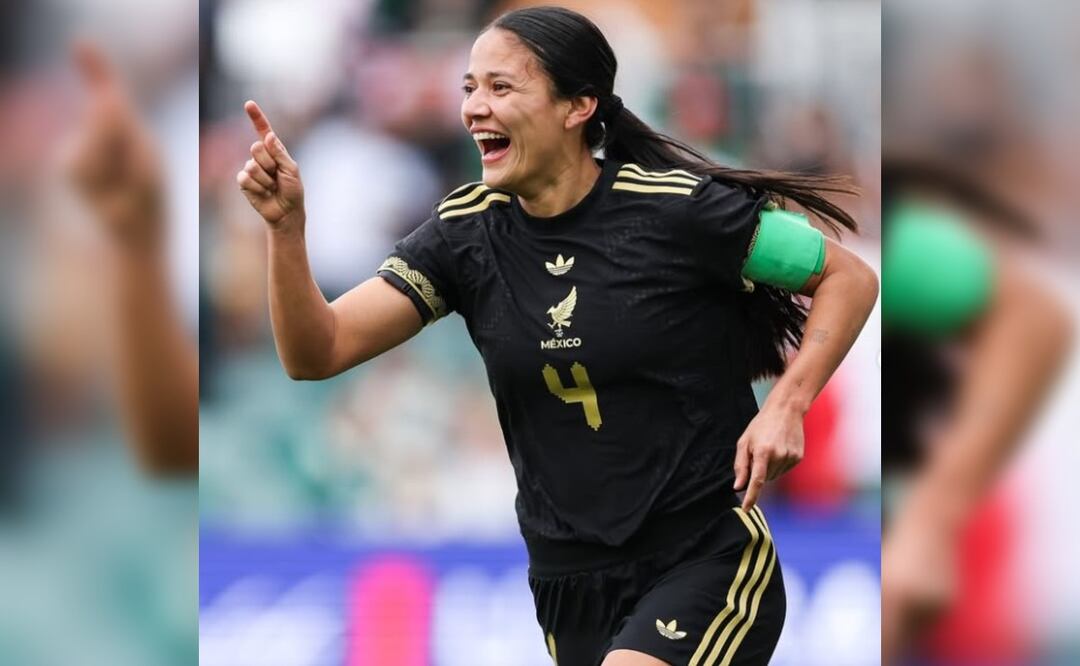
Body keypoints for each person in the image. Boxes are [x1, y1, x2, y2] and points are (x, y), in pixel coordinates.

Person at [236, 6, 877, 665]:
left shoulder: (678, 211)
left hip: (704, 558)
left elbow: (848, 278)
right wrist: (286, 230)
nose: (474, 109)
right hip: (569, 585)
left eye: (501, 88)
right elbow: (318, 352)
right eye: (469, 89)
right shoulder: (464, 236)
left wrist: (787, 404)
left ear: (578, 106)